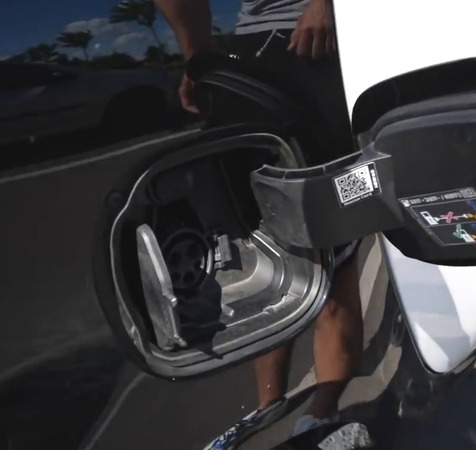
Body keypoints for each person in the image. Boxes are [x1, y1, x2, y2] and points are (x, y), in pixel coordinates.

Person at [152, 0, 365, 448]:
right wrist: (196, 54)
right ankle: (268, 408)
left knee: (331, 252)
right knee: (269, 254)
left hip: (313, 42)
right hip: (250, 56)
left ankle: (321, 414)